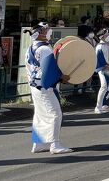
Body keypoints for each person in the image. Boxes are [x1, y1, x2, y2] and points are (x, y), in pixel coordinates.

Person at [25, 22, 73, 154]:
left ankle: (38, 144)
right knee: (55, 114)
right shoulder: (45, 49)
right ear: (40, 34)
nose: (48, 30)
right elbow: (50, 71)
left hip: (35, 86)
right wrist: (62, 77)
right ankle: (55, 144)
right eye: (46, 29)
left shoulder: (31, 48)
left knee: (40, 115)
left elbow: (29, 68)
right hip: (44, 87)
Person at [94, 30, 109, 114]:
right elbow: (99, 60)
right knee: (104, 87)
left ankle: (104, 105)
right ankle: (98, 107)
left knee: (108, 86)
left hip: (108, 68)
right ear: (102, 37)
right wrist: (107, 66)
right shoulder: (99, 46)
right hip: (103, 69)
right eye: (106, 35)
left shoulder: (105, 45)